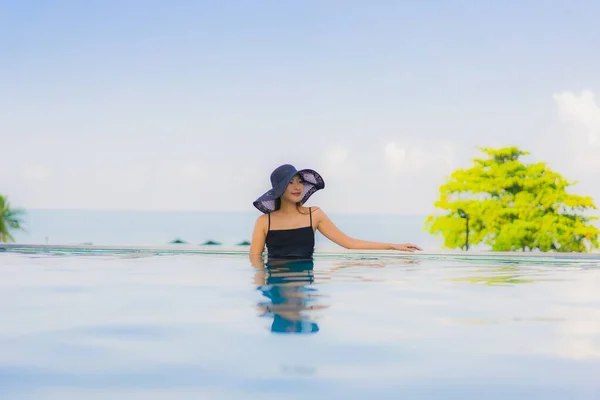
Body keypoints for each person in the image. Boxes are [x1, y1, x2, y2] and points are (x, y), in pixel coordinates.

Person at [249, 164, 422, 262]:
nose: (297, 187)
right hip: (275, 283)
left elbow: (349, 243)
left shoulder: (314, 215)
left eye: (300, 181)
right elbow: (255, 260)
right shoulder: (264, 222)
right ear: (279, 189)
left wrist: (393, 246)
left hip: (304, 283)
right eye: (290, 182)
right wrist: (261, 295)